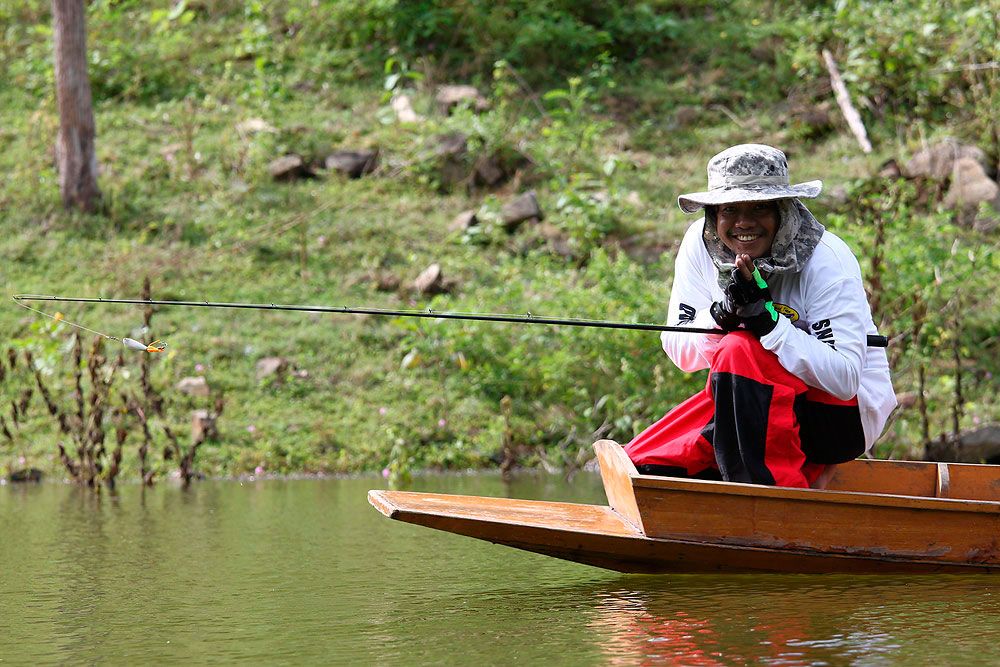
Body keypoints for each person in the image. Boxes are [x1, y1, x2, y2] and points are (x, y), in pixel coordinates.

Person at [625, 144, 896, 488]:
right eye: (730, 209)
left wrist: (770, 324)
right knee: (645, 462)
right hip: (752, 403)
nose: (744, 223)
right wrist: (719, 317)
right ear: (713, 214)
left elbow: (844, 381)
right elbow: (680, 351)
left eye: (760, 208)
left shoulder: (827, 261)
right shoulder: (698, 243)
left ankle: (770, 494)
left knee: (739, 348)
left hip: (841, 420)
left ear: (784, 211)